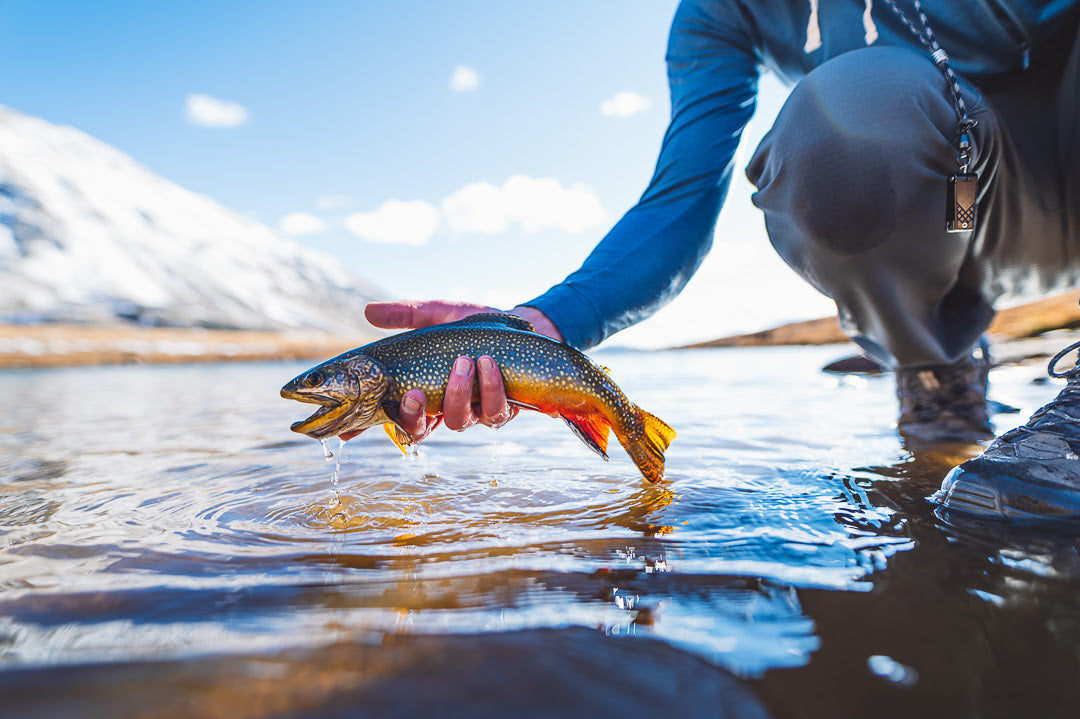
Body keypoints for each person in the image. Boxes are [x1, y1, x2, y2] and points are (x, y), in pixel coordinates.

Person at [365, 0, 1080, 521]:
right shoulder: (717, 15)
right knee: (841, 128)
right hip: (961, 203)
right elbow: (680, 202)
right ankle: (934, 370)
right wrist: (541, 327)